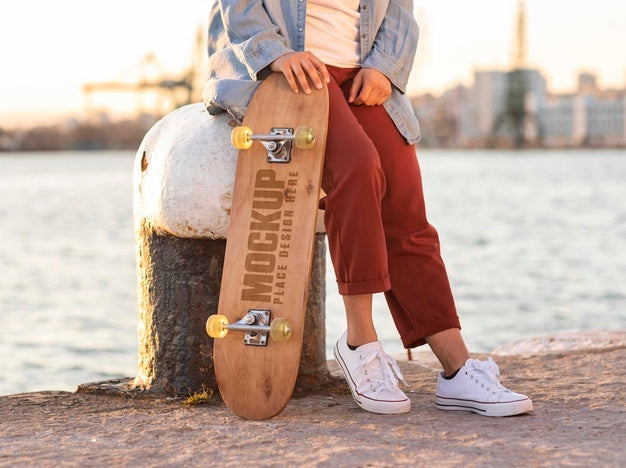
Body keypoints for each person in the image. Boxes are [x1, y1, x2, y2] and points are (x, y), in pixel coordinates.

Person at [203, 0, 533, 417]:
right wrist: (275, 54)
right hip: (286, 71)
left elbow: (400, 10)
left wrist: (383, 67)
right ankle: (361, 343)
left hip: (363, 75)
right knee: (357, 168)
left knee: (406, 209)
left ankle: (457, 370)